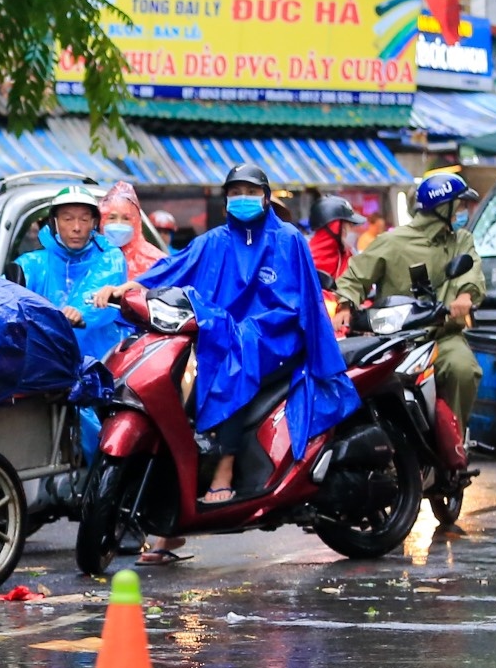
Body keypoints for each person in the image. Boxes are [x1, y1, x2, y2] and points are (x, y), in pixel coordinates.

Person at [107, 162, 358, 553]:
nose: (243, 199)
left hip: (276, 334)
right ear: (226, 200)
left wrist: (256, 329)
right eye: (235, 193)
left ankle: (224, 468)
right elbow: (174, 268)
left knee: (235, 357)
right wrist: (129, 287)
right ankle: (175, 507)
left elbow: (304, 300)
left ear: (266, 197)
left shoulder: (288, 239)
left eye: (250, 192)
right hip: (226, 332)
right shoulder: (215, 241)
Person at [337, 171, 486, 433]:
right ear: (443, 207)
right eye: (460, 205)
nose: (463, 212)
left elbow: (471, 273)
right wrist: (346, 305)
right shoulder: (392, 241)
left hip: (443, 337)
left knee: (463, 369)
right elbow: (355, 275)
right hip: (394, 339)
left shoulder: (461, 240)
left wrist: (465, 296)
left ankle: (453, 440)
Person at [15, 185, 129, 456]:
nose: (76, 227)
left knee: (103, 442)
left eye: (84, 219)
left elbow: (96, 297)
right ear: (55, 222)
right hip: (47, 366)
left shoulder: (110, 258)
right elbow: (8, 292)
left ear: (94, 223)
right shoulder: (34, 263)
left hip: (98, 366)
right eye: (68, 219)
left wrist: (77, 314)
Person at [98, 180, 164, 279]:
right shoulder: (88, 258)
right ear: (101, 221)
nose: (118, 224)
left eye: (126, 218)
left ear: (136, 223)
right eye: (112, 218)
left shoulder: (155, 260)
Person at [309, 195, 364, 289]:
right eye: (348, 225)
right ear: (334, 227)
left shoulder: (349, 255)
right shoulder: (305, 258)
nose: (352, 231)